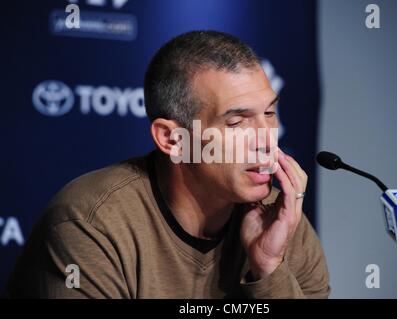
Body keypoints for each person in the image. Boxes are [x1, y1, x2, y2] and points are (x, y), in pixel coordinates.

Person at [8, 30, 330, 298]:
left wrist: (269, 266)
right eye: (236, 123)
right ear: (173, 140)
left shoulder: (282, 219)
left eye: (270, 114)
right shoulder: (90, 226)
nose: (266, 139)